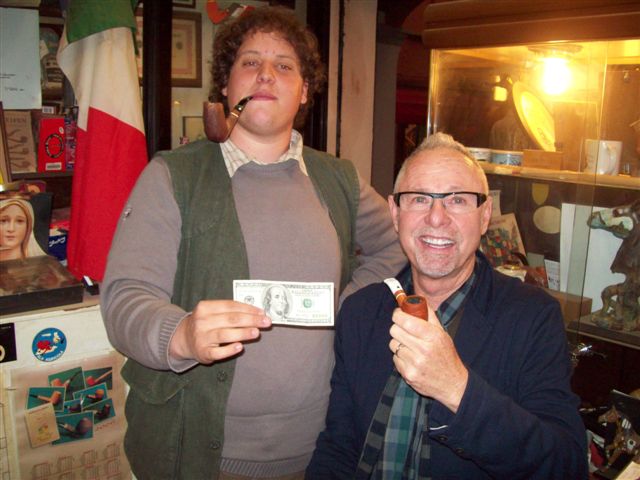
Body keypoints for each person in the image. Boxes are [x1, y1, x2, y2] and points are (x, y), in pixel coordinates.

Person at [100, 6, 406, 480]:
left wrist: (350, 302)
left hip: (321, 452)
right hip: (196, 456)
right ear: (225, 86)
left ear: (304, 91)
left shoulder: (339, 179)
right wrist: (179, 335)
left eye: (284, 65)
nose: (266, 74)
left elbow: (398, 244)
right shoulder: (173, 177)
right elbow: (124, 298)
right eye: (250, 62)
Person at [307, 132, 588, 479]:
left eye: (457, 200)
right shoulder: (360, 312)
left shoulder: (533, 317)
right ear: (395, 213)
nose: (437, 218)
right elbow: (338, 446)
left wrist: (456, 388)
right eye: (419, 199)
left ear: (485, 215)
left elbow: (565, 465)